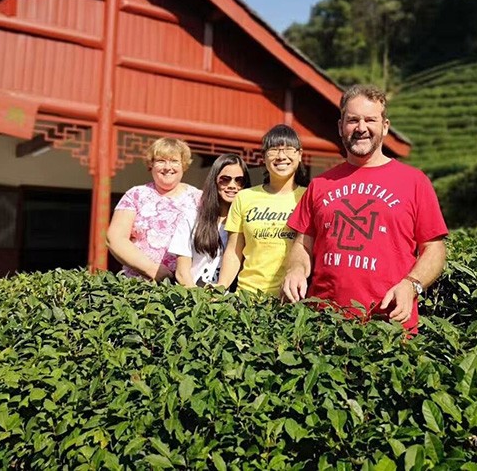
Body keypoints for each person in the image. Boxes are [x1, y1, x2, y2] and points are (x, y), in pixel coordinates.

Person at [282, 84, 448, 332]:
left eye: (370, 120)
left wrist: (411, 284)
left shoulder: (415, 182)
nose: (361, 128)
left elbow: (434, 249)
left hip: (389, 329)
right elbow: (302, 245)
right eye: (353, 120)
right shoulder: (320, 185)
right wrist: (296, 268)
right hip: (323, 327)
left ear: (385, 126)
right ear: (340, 127)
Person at [217, 125, 310, 296]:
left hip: (290, 299)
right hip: (246, 298)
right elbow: (233, 251)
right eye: (274, 150)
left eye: (289, 149)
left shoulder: (309, 197)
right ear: (263, 157)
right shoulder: (244, 197)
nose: (281, 156)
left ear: (300, 154)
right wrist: (221, 287)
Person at [107, 137, 202, 282]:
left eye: (174, 161)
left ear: (183, 164)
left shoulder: (199, 198)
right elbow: (115, 238)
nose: (167, 167)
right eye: (161, 161)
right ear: (151, 164)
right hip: (140, 284)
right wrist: (152, 270)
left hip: (187, 285)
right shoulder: (135, 195)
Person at [168, 154, 251, 287]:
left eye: (239, 180)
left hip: (234, 299)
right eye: (225, 179)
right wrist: (199, 300)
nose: (232, 185)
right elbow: (182, 272)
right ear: (215, 180)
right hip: (193, 295)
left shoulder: (251, 223)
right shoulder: (192, 217)